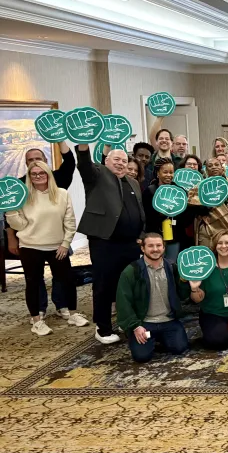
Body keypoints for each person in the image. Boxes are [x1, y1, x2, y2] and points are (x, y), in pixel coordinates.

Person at [76, 144, 145, 344]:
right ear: (106, 161)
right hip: (105, 242)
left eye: (124, 160)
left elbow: (139, 210)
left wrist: (141, 232)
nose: (121, 164)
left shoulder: (132, 182)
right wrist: (83, 145)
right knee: (104, 285)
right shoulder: (97, 176)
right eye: (116, 160)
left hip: (130, 243)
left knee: (127, 285)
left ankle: (125, 320)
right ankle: (103, 327)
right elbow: (84, 165)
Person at [6, 161, 84, 335]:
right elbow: (20, 225)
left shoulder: (62, 194)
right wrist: (11, 212)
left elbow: (69, 221)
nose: (38, 176)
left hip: (57, 246)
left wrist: (65, 244)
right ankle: (36, 321)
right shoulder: (23, 197)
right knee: (33, 282)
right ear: (29, 176)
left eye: (42, 173)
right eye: (34, 174)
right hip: (30, 246)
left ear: (48, 174)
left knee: (67, 280)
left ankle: (73, 313)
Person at [115, 233, 190, 362]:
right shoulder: (131, 271)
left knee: (180, 348)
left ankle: (161, 337)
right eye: (150, 246)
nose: (155, 249)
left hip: (168, 320)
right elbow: (123, 302)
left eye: (158, 245)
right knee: (141, 357)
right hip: (144, 323)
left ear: (164, 247)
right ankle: (149, 338)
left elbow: (183, 296)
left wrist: (186, 283)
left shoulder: (172, 267)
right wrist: (135, 326)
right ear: (143, 248)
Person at [190, 158, 228, 249]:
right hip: (208, 230)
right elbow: (192, 205)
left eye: (217, 165)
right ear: (206, 170)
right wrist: (205, 207)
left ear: (222, 168)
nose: (214, 167)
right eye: (210, 166)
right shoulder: (199, 187)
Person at [141, 157, 183, 262]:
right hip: (155, 238)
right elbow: (146, 216)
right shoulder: (149, 192)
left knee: (171, 266)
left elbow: (184, 215)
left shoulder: (180, 191)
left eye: (171, 172)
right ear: (158, 173)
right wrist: (160, 215)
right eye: (165, 172)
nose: (169, 175)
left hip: (175, 238)